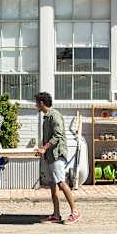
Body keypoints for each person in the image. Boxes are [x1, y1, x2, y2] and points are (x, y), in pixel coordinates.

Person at [34, 91, 80, 225]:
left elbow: (58, 136)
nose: (35, 105)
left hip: (57, 154)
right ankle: (56, 214)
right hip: (50, 155)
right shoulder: (47, 117)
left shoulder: (55, 115)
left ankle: (75, 212)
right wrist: (43, 150)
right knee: (53, 184)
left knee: (61, 182)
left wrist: (44, 148)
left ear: (41, 103)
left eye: (36, 103)